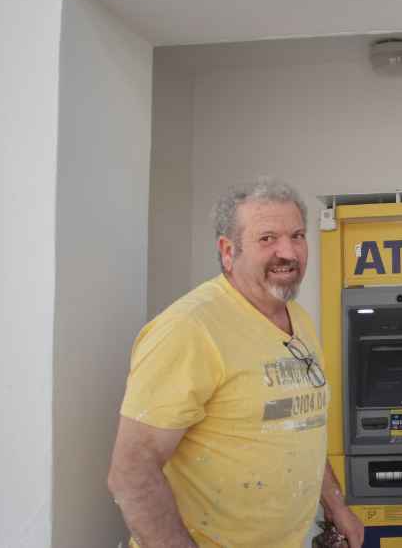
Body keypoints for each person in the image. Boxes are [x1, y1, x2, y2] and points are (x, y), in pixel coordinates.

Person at [108, 178, 364, 548]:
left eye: (297, 236)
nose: (288, 252)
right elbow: (131, 472)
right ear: (229, 251)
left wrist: (337, 506)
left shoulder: (299, 320)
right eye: (267, 239)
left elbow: (300, 423)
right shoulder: (190, 328)